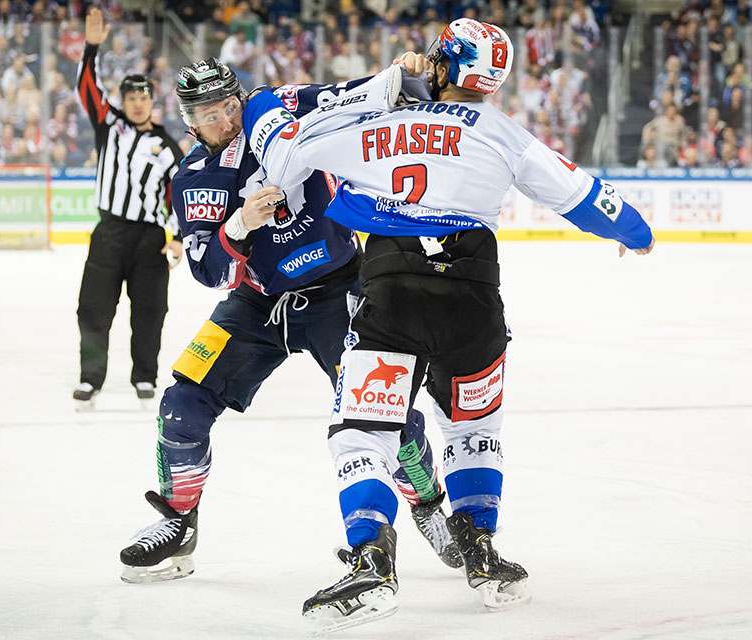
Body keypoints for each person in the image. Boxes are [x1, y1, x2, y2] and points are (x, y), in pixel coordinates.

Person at [242, 18, 655, 632]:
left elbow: (280, 143)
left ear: (438, 63)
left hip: (391, 295)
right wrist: (634, 233)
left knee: (364, 432)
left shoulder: (376, 124)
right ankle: (482, 556)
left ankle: (371, 562)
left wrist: (376, 88)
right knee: (473, 424)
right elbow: (583, 194)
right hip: (474, 300)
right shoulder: (504, 133)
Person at [116, 58, 461, 585]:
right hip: (257, 305)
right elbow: (208, 272)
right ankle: (179, 521)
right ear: (189, 120)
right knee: (180, 405)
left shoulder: (276, 107)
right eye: (210, 115)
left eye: (229, 107)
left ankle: (428, 504)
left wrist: (401, 73)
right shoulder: (191, 178)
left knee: (386, 412)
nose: (226, 121)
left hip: (340, 291)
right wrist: (238, 224)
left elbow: (354, 94)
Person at [73, 7, 184, 410]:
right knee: (93, 309)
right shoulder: (110, 126)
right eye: (130, 98)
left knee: (150, 311)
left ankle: (144, 376)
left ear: (153, 101)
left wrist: (177, 239)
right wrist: (91, 49)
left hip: (150, 240)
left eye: (143, 97)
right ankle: (91, 378)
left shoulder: (168, 147)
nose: (137, 104)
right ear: (122, 102)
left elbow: (180, 199)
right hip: (110, 234)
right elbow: (86, 88)